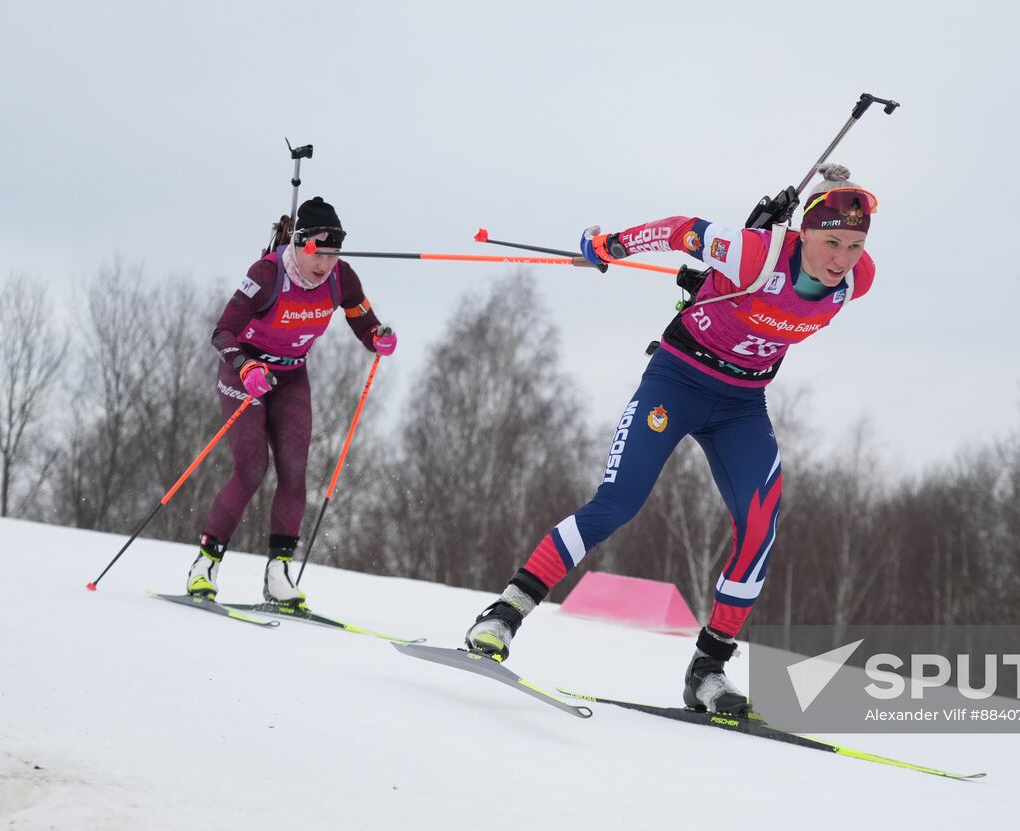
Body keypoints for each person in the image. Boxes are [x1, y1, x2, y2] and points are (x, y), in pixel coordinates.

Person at [467, 164, 877, 714]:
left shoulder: (859, 278)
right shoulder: (752, 253)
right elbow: (680, 229)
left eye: (853, 245)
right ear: (803, 232)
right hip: (677, 380)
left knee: (761, 527)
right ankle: (505, 612)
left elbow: (815, 277)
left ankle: (708, 669)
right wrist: (607, 245)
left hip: (741, 406)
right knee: (618, 502)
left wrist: (833, 208)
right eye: (830, 241)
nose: (840, 260)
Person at [185, 197, 396, 607]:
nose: (325, 265)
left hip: (291, 375)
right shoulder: (266, 275)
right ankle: (205, 563)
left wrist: (378, 337)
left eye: (334, 255)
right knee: (252, 468)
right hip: (246, 374)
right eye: (319, 254)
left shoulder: (342, 279)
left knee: (295, 470)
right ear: (299, 244)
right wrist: (246, 367)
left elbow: (364, 322)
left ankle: (278, 571)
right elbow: (222, 332)